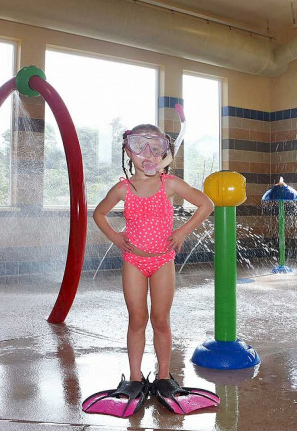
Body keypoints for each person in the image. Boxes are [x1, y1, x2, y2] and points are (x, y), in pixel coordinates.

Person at [81, 123, 219, 417]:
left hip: (162, 261)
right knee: (137, 319)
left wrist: (182, 232)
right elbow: (99, 213)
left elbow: (206, 204)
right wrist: (116, 237)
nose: (149, 154)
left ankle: (164, 377)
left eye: (156, 149)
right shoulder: (123, 188)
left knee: (160, 319)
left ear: (163, 154)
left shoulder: (169, 184)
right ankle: (134, 378)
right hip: (134, 261)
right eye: (141, 147)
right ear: (128, 151)